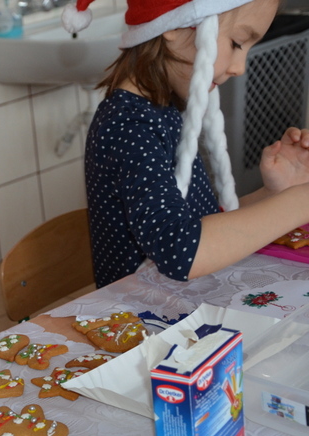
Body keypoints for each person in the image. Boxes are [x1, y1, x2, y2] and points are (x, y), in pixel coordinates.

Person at [63, 0, 309, 287]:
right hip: (142, 312)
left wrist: (276, 193)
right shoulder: (129, 126)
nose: (240, 68)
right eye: (237, 43)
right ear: (174, 23)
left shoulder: (160, 111)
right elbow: (180, 251)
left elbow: (199, 225)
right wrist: (300, 202)